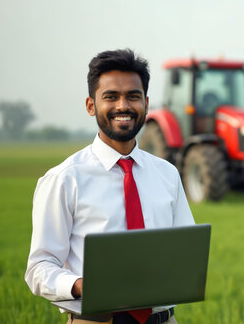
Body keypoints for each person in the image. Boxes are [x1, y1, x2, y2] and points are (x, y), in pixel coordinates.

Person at [25, 49, 194, 324]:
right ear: (91, 105)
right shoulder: (65, 179)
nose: (123, 106)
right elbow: (39, 268)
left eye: (133, 96)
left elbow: (186, 253)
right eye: (111, 97)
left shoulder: (167, 174)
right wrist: (81, 285)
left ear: (147, 103)